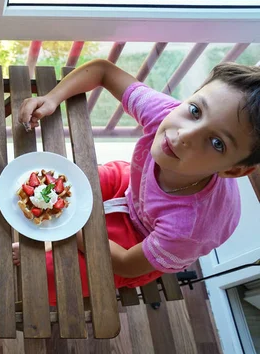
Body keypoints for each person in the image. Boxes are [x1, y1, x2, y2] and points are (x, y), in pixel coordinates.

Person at [15, 59, 260, 304]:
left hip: (139, 240)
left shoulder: (191, 228)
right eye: (196, 110)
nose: (183, 134)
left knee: (49, 275)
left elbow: (126, 264)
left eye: (217, 143)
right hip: (130, 184)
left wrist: (68, 229)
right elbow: (102, 71)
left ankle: (43, 250)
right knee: (52, 186)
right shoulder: (166, 114)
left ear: (235, 170)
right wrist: (52, 98)